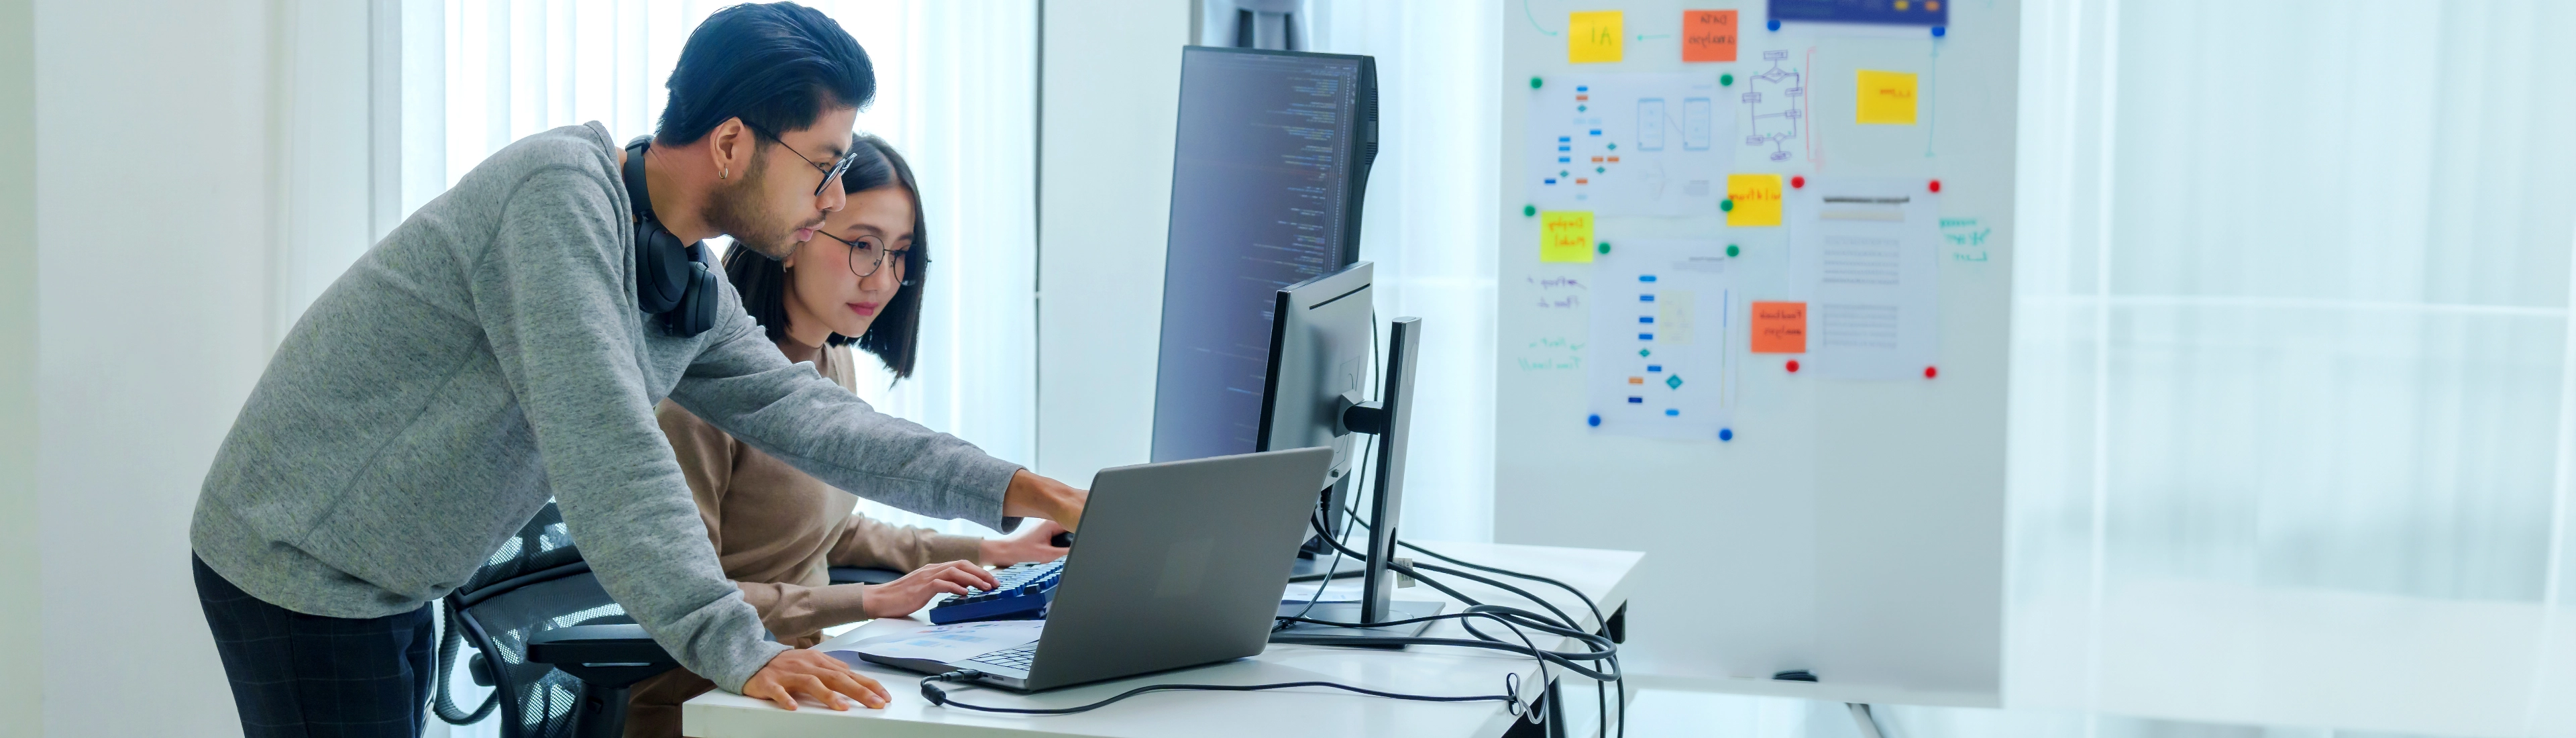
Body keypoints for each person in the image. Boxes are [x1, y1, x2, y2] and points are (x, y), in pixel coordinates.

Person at [188, 5, 1086, 736]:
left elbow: (817, 421)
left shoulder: (682, 277)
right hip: (300, 559)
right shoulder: (556, 199)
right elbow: (608, 451)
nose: (833, 200)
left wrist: (1023, 488)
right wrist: (742, 648)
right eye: (822, 166)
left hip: (398, 573)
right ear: (733, 144)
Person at [621, 134, 1065, 737]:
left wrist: (990, 552)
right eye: (863, 246)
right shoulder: (700, 395)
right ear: (796, 234)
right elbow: (677, 595)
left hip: (805, 682)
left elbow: (823, 530)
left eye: (901, 254)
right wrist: (865, 602)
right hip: (708, 702)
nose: (884, 280)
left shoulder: (830, 362)